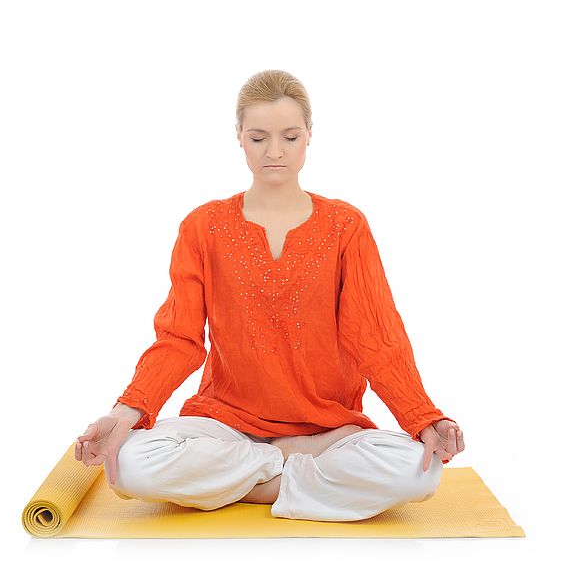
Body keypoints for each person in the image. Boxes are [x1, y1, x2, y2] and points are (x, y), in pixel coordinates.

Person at [74, 70, 465, 522]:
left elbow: (375, 337)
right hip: (227, 424)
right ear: (239, 136)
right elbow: (179, 339)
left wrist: (423, 417)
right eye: (259, 137)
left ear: (309, 137)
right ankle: (289, 476)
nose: (275, 152)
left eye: (290, 136)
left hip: (327, 429)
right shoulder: (204, 226)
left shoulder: (345, 225)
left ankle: (242, 486)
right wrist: (124, 413)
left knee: (420, 472)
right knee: (131, 463)